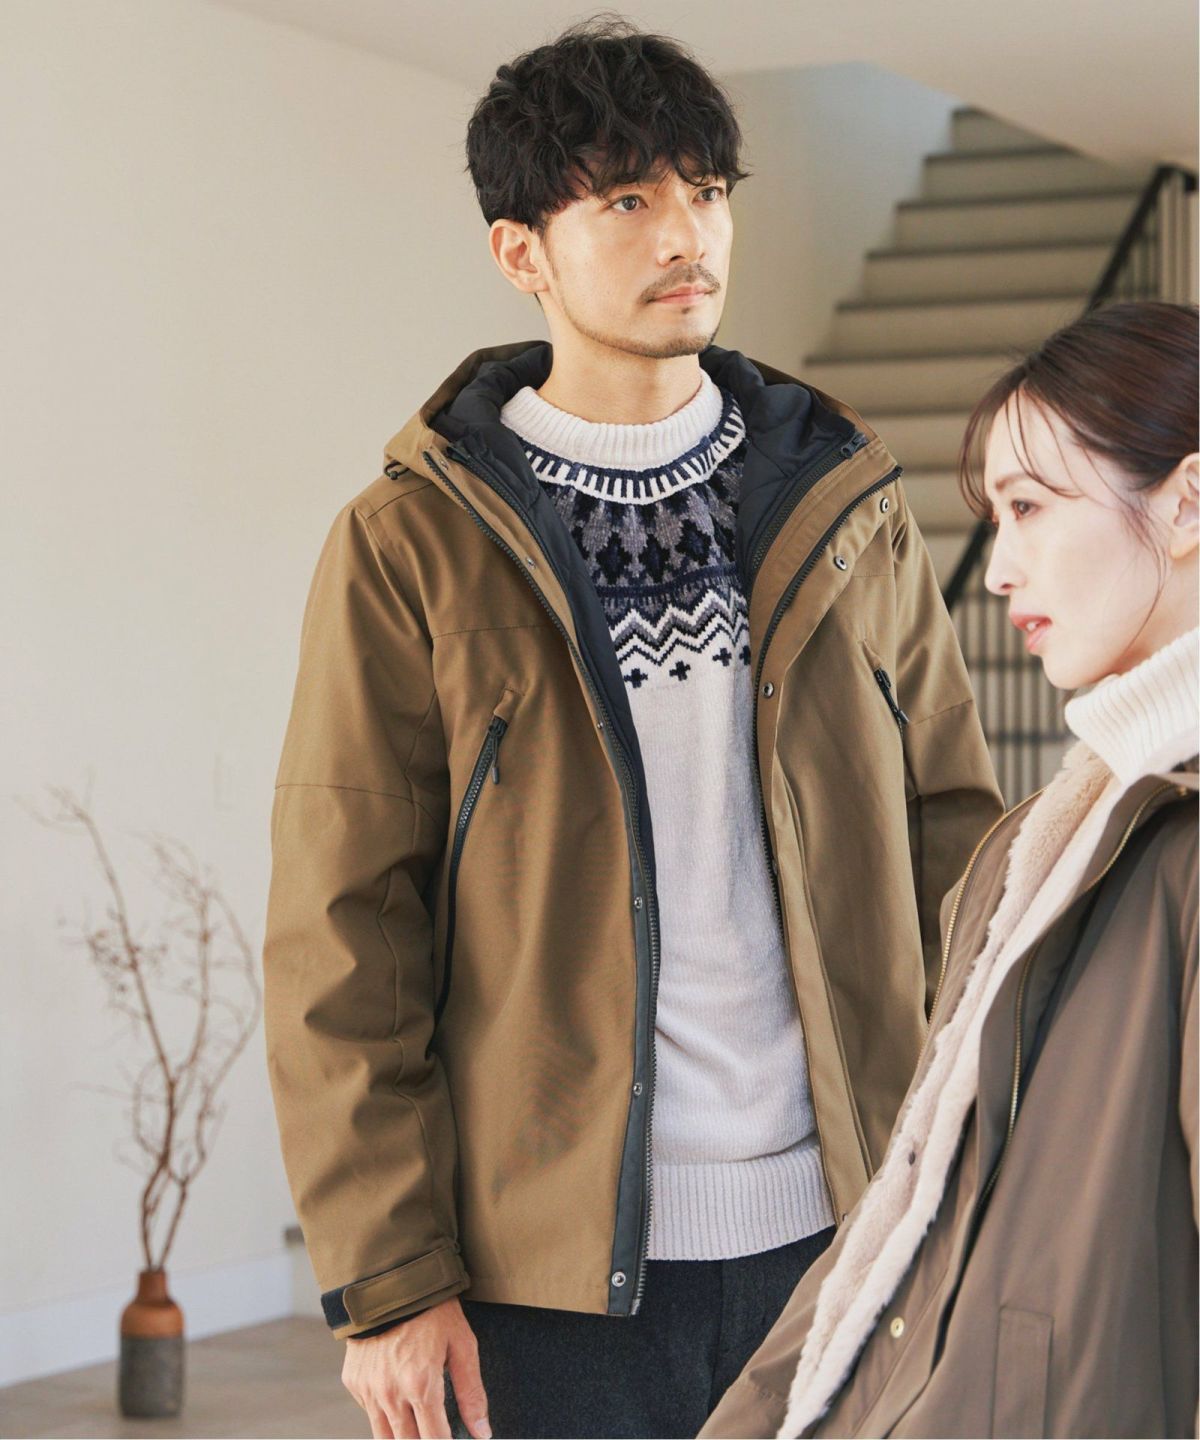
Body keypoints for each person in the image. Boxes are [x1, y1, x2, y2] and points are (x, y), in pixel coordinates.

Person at [261, 16, 1002, 1440]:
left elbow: (955, 845)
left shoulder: (845, 503)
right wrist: (387, 1282)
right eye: (626, 199)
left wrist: (971, 1171)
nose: (687, 235)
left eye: (707, 192)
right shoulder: (411, 544)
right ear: (520, 252)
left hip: (841, 1235)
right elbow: (344, 929)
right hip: (547, 1281)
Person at [700, 299, 1200, 1440]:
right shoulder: (1036, 845)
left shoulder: (1174, 850)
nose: (997, 568)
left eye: (1030, 507)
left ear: (1185, 504)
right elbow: (902, 1226)